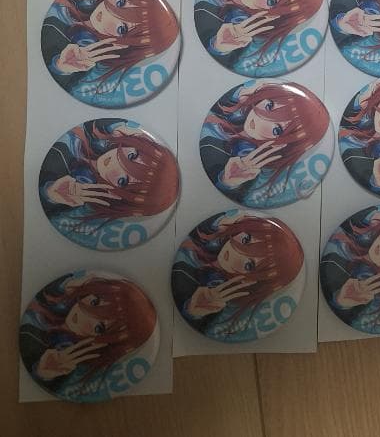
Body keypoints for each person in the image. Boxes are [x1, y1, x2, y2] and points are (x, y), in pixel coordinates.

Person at [39, 119, 178, 248]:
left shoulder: (79, 200)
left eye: (123, 181)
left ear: (117, 197)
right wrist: (119, 127)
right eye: (132, 156)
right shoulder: (103, 135)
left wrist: (50, 193)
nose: (116, 164)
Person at [20, 272, 157, 401]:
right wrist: (68, 284)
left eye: (99, 328)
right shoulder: (60, 298)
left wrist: (42, 373)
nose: (85, 315)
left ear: (105, 343)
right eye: (95, 302)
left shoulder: (66, 360)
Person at [42, 0, 179, 103]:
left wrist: (59, 67)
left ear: (122, 45)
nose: (109, 14)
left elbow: (57, 91)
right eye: (121, 3)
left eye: (122, 29)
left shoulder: (85, 64)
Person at [172, 212, 304, 341]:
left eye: (249, 265)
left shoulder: (216, 297)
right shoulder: (213, 235)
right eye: (246, 240)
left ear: (253, 280)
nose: (236, 252)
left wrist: (192, 311)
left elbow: (192, 329)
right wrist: (222, 223)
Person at [200, 82, 330, 206]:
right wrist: (243, 93)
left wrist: (226, 181)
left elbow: (227, 195)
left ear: (280, 145)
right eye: (270, 106)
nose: (261, 118)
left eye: (277, 130)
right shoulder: (234, 108)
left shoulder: (249, 169)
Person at [194, 0, 323, 74]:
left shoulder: (241, 33)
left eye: (271, 0)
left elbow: (219, 60)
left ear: (275, 15)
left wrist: (218, 46)